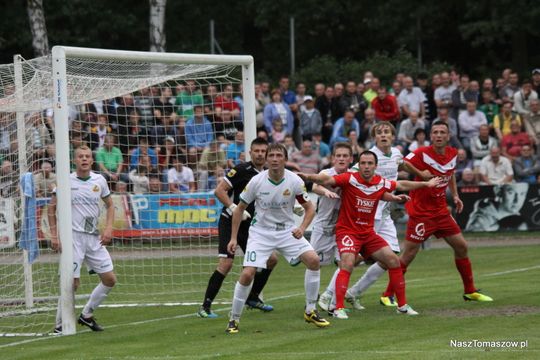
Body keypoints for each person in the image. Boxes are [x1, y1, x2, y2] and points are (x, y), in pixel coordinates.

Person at [301, 150, 441, 319]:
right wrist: (307, 176)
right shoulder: (350, 178)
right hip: (348, 231)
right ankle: (338, 308)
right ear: (358, 165)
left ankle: (402, 306)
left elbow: (402, 185)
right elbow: (326, 180)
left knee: (393, 260)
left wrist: (425, 185)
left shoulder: (380, 182)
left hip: (367, 233)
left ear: (376, 166)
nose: (366, 167)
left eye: (370, 164)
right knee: (347, 263)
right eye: (363, 163)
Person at [380, 120, 493, 304]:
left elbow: (451, 175)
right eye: (435, 132)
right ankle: (387, 295)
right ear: (431, 136)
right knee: (408, 255)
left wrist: (455, 195)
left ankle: (470, 291)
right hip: (421, 213)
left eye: (442, 132)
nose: (439, 135)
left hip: (441, 211)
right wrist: (421, 173)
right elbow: (402, 163)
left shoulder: (452, 153)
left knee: (461, 246)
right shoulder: (421, 153)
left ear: (448, 136)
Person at [319, 123, 428, 311]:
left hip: (385, 213)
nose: (383, 135)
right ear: (374, 137)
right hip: (370, 213)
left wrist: (420, 174)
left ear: (393, 136)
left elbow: (402, 163)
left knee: (391, 257)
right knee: (354, 258)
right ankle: (328, 295)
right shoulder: (369, 157)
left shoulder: (395, 152)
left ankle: (354, 293)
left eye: (387, 132)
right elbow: (352, 174)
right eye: (379, 133)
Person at [226, 143, 329, 333]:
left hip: (286, 231)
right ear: (266, 159)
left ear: (285, 159)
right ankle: (234, 319)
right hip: (261, 232)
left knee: (314, 261)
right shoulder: (257, 181)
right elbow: (239, 208)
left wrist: (302, 227)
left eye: (278, 155)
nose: (274, 159)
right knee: (248, 273)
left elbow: (310, 208)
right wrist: (233, 238)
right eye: (271, 155)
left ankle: (310, 310)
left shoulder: (294, 181)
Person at [198, 138, 278, 319]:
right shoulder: (242, 170)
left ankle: (253, 297)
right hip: (230, 222)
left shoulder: (269, 175)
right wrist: (234, 208)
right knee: (226, 263)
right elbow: (219, 191)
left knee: (272, 259)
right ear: (250, 152)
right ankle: (205, 306)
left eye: (263, 151)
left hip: (252, 227)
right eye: (256, 151)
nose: (259, 154)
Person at [48, 146, 116, 333]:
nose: (84, 159)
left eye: (87, 156)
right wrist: (54, 235)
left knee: (110, 280)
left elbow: (110, 205)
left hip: (94, 238)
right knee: (72, 283)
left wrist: (109, 228)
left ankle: (86, 315)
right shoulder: (65, 180)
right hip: (73, 239)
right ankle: (60, 325)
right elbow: (51, 208)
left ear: (91, 161)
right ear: (75, 160)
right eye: (80, 156)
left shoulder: (99, 180)